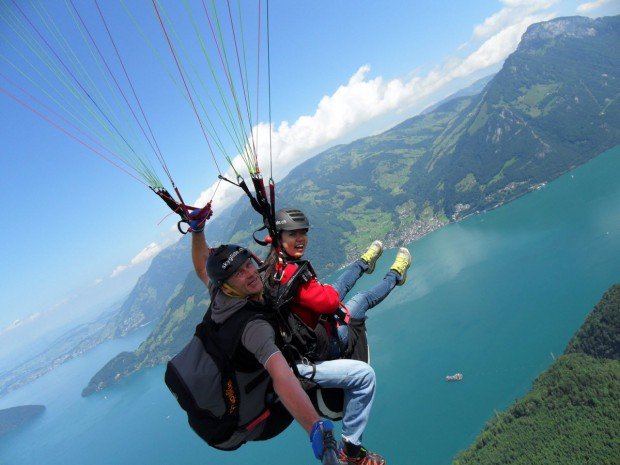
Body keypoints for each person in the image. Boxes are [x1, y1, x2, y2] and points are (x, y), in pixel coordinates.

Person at [188, 215, 385, 465]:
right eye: (239, 273)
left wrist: (197, 230)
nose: (250, 273)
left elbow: (201, 267)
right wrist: (315, 428)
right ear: (227, 286)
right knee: (364, 376)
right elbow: (282, 376)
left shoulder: (220, 292)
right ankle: (352, 452)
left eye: (248, 264)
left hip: (269, 364)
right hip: (288, 375)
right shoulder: (252, 326)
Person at [265, 208, 412, 359]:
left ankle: (364, 262)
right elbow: (330, 303)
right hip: (328, 343)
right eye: (292, 234)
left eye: (303, 233)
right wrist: (326, 290)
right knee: (362, 298)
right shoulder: (291, 275)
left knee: (339, 285)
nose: (300, 238)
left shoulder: (273, 266)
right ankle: (396, 274)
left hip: (310, 332)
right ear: (278, 237)